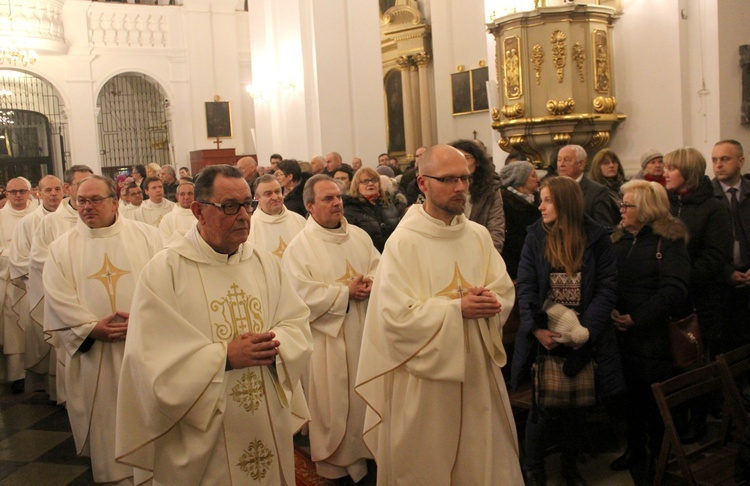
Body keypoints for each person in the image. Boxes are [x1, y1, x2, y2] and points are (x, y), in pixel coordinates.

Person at [115, 164, 312, 485]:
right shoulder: (165, 271)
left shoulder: (263, 262)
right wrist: (224, 357)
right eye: (229, 207)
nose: (244, 216)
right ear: (198, 211)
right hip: (202, 431)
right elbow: (149, 358)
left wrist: (276, 344)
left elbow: (296, 322)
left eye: (247, 205)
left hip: (263, 416)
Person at [355, 145, 522, 484]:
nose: (460, 187)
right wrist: (456, 310)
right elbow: (394, 317)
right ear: (422, 183)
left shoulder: (477, 235)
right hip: (425, 383)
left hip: (476, 374)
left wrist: (489, 301)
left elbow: (502, 289)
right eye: (448, 179)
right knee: (426, 465)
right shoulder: (404, 243)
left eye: (464, 178)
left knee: (482, 464)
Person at [44, 175, 163, 484]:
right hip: (94, 356)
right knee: (106, 430)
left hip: (144, 349)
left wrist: (140, 321)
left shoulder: (149, 238)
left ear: (114, 201)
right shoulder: (61, 248)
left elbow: (168, 288)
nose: (87, 207)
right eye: (81, 201)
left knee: (148, 425)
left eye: (95, 200)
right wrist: (90, 328)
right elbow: (57, 297)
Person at [510, 176, 623, 486]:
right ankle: (534, 469)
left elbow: (606, 287)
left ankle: (570, 467)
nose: (540, 206)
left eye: (547, 200)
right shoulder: (536, 236)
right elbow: (528, 285)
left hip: (584, 334)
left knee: (577, 407)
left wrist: (585, 330)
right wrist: (536, 330)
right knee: (542, 407)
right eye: (541, 199)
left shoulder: (596, 238)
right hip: (546, 334)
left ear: (566, 203)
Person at [283, 175, 379, 483]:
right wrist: (343, 294)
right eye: (327, 199)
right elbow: (298, 296)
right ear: (310, 206)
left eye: (338, 197)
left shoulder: (361, 237)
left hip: (366, 333)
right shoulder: (300, 248)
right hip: (328, 341)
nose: (337, 202)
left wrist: (371, 283)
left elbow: (381, 269)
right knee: (335, 404)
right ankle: (339, 463)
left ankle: (371, 454)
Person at [609, 180, 690, 473]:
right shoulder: (617, 240)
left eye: (627, 205)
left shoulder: (667, 240)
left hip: (654, 338)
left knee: (654, 404)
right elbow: (610, 281)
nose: (621, 209)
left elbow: (674, 289)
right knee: (629, 400)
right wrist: (614, 310)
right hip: (621, 336)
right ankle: (635, 450)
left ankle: (660, 456)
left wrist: (636, 318)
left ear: (645, 208)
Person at [29, 165, 94, 405]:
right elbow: (37, 258)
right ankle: (71, 399)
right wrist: (71, 269)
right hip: (67, 294)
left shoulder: (104, 215)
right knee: (70, 350)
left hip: (97, 292)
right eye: (81, 184)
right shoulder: (51, 223)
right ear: (70, 188)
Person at [664, 147, 732, 358]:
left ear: (689, 171)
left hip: (701, 301)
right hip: (670, 300)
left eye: (671, 168)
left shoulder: (714, 208)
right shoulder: (665, 204)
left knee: (700, 360)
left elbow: (715, 256)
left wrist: (682, 281)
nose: (664, 173)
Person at [9, 175, 63, 397]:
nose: (53, 194)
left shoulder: (75, 218)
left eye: (57, 189)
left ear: (64, 191)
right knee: (46, 342)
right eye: (48, 190)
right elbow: (19, 259)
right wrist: (51, 270)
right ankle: (52, 390)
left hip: (69, 288)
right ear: (39, 194)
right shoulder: (28, 223)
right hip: (40, 289)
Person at [711, 140, 750, 349]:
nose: (718, 165)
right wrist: (727, 272)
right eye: (715, 160)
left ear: (741, 161)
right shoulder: (708, 195)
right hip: (722, 282)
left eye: (725, 159)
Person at [0, 178, 37, 392]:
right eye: (13, 192)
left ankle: (40, 373)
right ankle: (16, 375)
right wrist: (13, 257)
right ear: (6, 193)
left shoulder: (39, 216)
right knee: (14, 326)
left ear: (30, 192)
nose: (18, 196)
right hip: (10, 280)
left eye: (22, 191)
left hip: (36, 279)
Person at [449, 139, 506, 253]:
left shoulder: (490, 189)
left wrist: (485, 256)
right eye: (457, 157)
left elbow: (496, 229)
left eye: (467, 158)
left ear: (478, 161)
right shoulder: (446, 187)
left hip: (481, 252)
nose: (462, 162)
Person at [343, 167, 403, 253]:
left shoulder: (388, 204)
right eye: (365, 181)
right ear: (357, 186)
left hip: (392, 255)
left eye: (374, 180)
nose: (370, 183)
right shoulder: (350, 209)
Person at [557, 144, 619, 227]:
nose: (561, 164)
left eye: (567, 160)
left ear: (581, 164)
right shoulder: (552, 189)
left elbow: (603, 228)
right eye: (559, 160)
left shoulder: (597, 192)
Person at [499, 160, 541, 280]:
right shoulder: (505, 202)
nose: (538, 180)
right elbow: (509, 237)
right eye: (533, 176)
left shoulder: (538, 200)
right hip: (515, 265)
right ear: (520, 179)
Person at [248, 175, 306, 260]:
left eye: (277, 192)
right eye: (268, 194)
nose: (275, 197)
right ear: (257, 198)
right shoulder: (250, 228)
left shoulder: (299, 220)